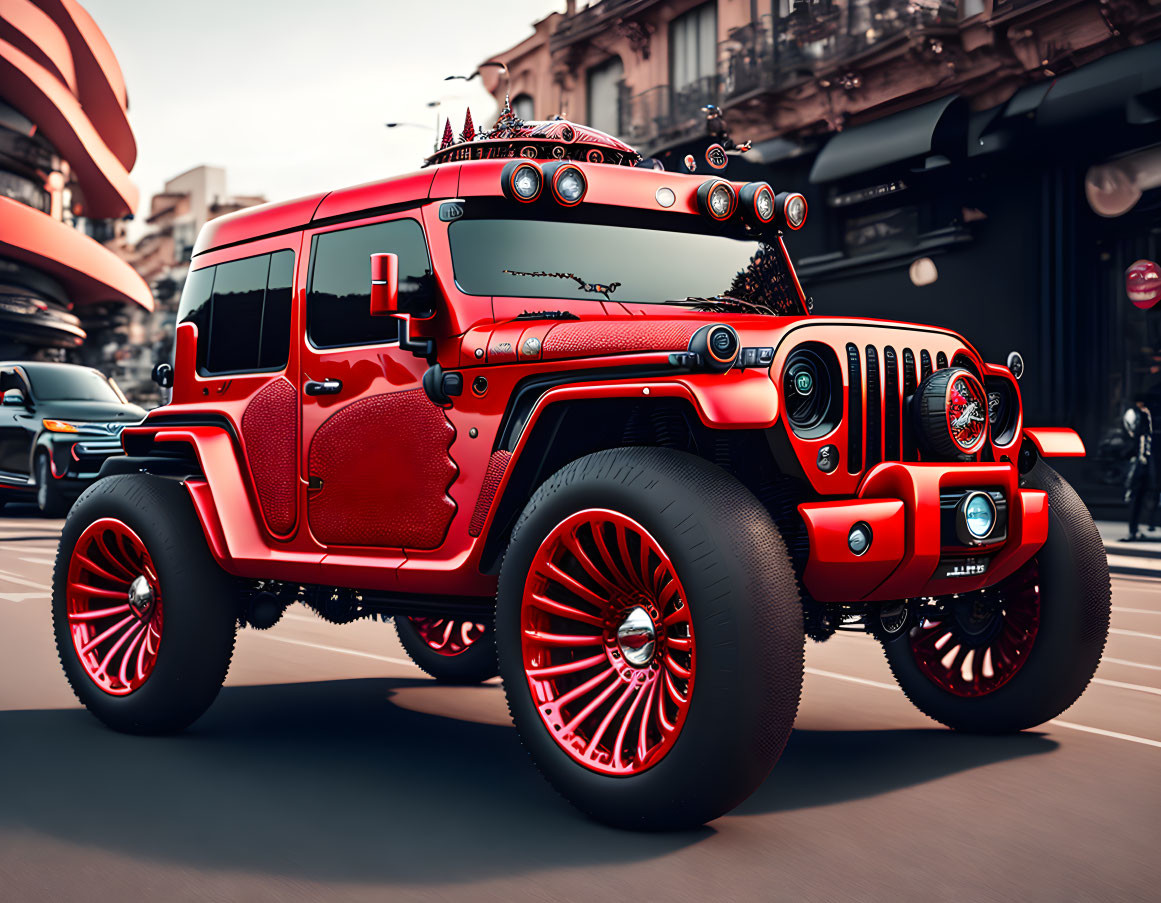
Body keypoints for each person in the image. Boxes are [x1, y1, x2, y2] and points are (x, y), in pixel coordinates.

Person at [1122, 393, 1155, 541]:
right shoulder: (1141, 415)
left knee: (1141, 495)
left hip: (1144, 461)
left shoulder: (1144, 415)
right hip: (1140, 462)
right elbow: (1139, 438)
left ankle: (1138, 528)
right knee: (1137, 495)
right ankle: (1134, 529)